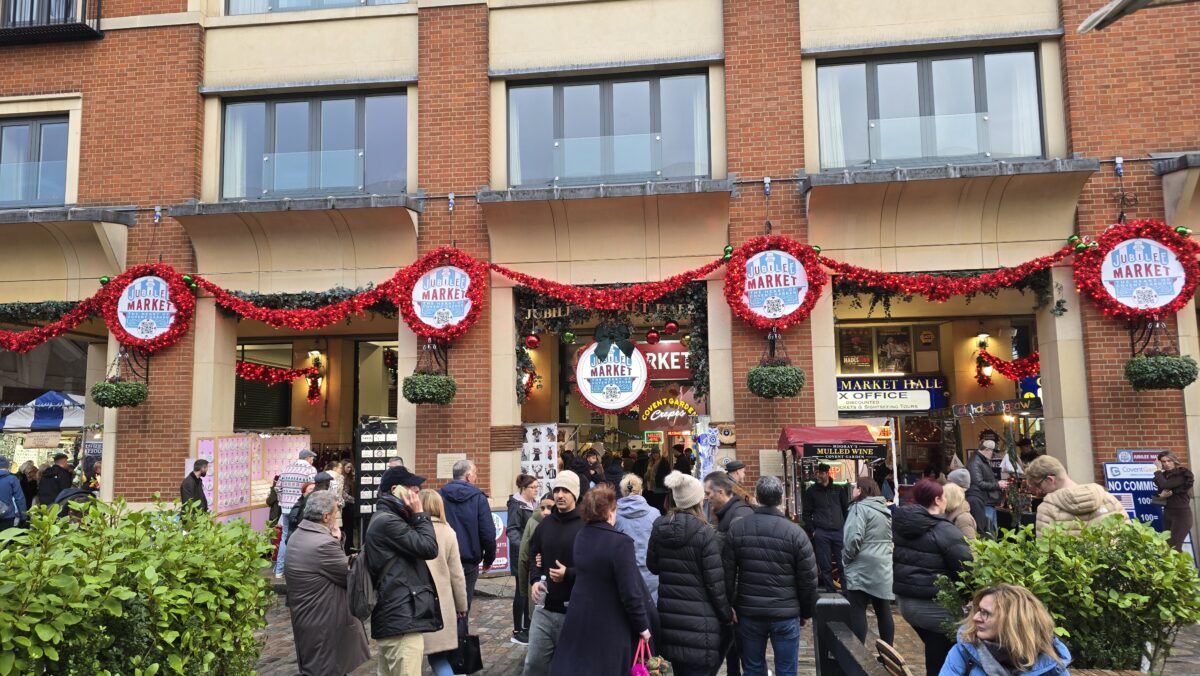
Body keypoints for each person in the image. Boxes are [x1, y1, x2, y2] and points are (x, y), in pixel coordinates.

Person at [549, 484, 652, 676]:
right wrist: (643, 627)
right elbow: (630, 592)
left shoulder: (582, 535)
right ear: (610, 512)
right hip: (609, 625)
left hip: (580, 619)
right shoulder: (621, 543)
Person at [724, 475, 819, 676]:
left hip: (750, 612)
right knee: (786, 669)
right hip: (785, 612)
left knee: (752, 667)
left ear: (757, 497)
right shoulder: (795, 533)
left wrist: (729, 605)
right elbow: (808, 579)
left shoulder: (738, 528)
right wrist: (806, 611)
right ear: (781, 498)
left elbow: (727, 572)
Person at [647, 471, 733, 676]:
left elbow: (653, 566)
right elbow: (714, 583)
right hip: (700, 624)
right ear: (696, 501)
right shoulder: (705, 533)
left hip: (668, 619)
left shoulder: (659, 526)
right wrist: (726, 614)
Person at [283, 490, 371, 676]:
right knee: (328, 668)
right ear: (325, 517)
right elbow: (350, 575)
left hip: (308, 616)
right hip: (325, 620)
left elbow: (329, 568)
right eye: (334, 514)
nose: (336, 518)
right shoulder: (323, 543)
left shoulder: (298, 535)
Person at [893, 478, 972, 676]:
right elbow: (965, 568)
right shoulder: (944, 530)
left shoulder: (903, 526)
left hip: (906, 601)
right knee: (947, 656)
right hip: (933, 605)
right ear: (938, 500)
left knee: (935, 650)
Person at [366, 466, 441, 676]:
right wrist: (419, 514)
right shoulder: (388, 521)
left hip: (398, 617)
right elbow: (428, 547)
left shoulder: (391, 518)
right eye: (412, 488)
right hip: (400, 621)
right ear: (395, 489)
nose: (417, 492)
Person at [524, 471, 585, 676]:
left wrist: (568, 573)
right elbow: (534, 553)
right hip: (544, 608)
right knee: (533, 665)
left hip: (574, 610)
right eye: (557, 490)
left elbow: (594, 567)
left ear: (575, 494)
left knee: (570, 669)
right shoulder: (545, 524)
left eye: (565, 490)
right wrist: (534, 579)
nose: (559, 495)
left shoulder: (585, 526)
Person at [940, 584, 1072, 676]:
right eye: (978, 610)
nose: (975, 618)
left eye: (986, 613)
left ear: (1013, 622)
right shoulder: (963, 653)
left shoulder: (1050, 663)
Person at [704, 470, 753, 676]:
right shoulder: (728, 514)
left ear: (721, 492)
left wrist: (730, 602)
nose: (706, 498)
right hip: (734, 600)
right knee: (734, 653)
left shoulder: (737, 517)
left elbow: (742, 563)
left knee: (742, 655)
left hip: (739, 602)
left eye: (708, 493)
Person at [439, 458, 496, 637]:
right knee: (463, 607)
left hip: (444, 559)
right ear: (469, 476)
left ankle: (446, 646)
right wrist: (489, 559)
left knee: (443, 605)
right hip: (468, 561)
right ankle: (459, 650)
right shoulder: (478, 498)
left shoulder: (439, 495)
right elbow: (488, 532)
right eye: (476, 474)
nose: (476, 477)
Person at [419, 489, 469, 676]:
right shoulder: (448, 532)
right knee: (439, 659)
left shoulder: (410, 531)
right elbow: (457, 575)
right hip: (442, 605)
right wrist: (462, 605)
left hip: (415, 603)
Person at [841, 477, 894, 645]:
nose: (854, 491)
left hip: (861, 565)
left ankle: (858, 656)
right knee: (883, 610)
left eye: (855, 487)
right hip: (882, 564)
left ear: (861, 490)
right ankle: (888, 653)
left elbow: (853, 538)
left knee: (857, 610)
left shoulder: (859, 508)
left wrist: (847, 559)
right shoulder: (884, 509)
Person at [1024, 455, 1127, 536]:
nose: (1039, 490)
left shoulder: (1047, 510)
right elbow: (1128, 537)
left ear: (1050, 479)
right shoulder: (1109, 499)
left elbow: (1047, 552)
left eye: (1038, 484)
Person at [802, 462, 849, 592]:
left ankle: (846, 592)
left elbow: (846, 510)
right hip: (821, 533)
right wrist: (813, 531)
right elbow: (806, 514)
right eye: (817, 473)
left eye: (821, 473)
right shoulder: (811, 492)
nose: (818, 475)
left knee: (842, 564)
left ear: (827, 473)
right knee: (825, 565)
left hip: (839, 531)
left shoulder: (838, 490)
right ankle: (830, 592)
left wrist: (846, 528)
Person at [614, 473, 660, 603]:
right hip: (652, 577)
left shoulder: (614, 516)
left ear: (622, 492)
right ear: (641, 491)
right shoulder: (655, 514)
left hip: (625, 577)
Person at [275, 449, 318, 578]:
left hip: (286, 508)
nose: (312, 460)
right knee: (301, 538)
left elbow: (277, 488)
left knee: (284, 538)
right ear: (308, 458)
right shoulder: (310, 470)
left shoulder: (286, 468)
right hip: (300, 509)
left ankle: (279, 570)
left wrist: (283, 500)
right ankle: (298, 570)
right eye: (312, 458)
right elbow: (312, 489)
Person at [507, 473, 539, 644]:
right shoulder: (517, 505)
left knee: (529, 591)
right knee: (521, 592)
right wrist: (524, 547)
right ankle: (518, 629)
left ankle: (528, 626)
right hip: (520, 555)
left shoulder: (534, 504)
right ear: (524, 488)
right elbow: (512, 530)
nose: (536, 490)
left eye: (537, 487)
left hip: (532, 554)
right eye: (532, 487)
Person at [518, 493, 555, 624]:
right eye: (543, 508)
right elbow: (524, 556)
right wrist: (524, 589)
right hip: (537, 581)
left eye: (550, 507)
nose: (545, 512)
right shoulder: (533, 522)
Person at [1153, 451, 1195, 552]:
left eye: (1169, 461)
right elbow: (1156, 503)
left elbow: (1165, 485)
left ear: (1174, 461)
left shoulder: (1182, 474)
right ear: (1160, 463)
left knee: (1174, 546)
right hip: (1168, 513)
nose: (1167, 464)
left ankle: (1181, 568)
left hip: (1182, 515)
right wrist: (1161, 496)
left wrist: (1158, 470)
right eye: (1163, 462)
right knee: (1166, 546)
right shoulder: (1162, 477)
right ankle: (1172, 568)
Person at [966, 440, 1007, 536]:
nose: (993, 455)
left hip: (986, 502)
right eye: (993, 452)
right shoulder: (975, 462)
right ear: (987, 450)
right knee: (988, 532)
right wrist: (998, 484)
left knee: (991, 531)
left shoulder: (980, 460)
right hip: (984, 502)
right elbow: (978, 483)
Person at [288, 472, 333, 542]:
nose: (328, 485)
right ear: (326, 484)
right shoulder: (317, 497)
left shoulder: (312, 495)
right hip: (307, 535)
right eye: (328, 483)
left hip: (304, 532)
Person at [0, 456, 27, 529]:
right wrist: (23, 517)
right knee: (5, 539)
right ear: (7, 466)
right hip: (7, 516)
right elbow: (19, 499)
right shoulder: (12, 479)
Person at [341, 460, 358, 553]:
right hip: (346, 505)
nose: (349, 469)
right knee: (347, 527)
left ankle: (349, 546)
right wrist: (353, 499)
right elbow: (342, 493)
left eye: (351, 467)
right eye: (348, 467)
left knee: (350, 528)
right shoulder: (342, 478)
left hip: (349, 505)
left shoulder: (350, 477)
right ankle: (347, 548)